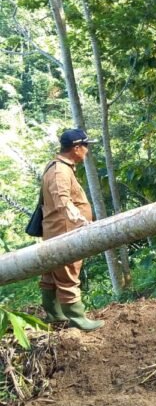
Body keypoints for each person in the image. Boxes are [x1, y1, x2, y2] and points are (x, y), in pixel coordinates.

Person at [39, 129, 103, 331]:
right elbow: (63, 202)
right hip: (64, 231)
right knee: (68, 275)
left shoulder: (59, 167)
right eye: (86, 146)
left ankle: (54, 314)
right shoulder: (60, 171)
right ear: (76, 148)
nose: (87, 151)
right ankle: (77, 319)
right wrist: (81, 222)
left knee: (51, 273)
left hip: (57, 229)